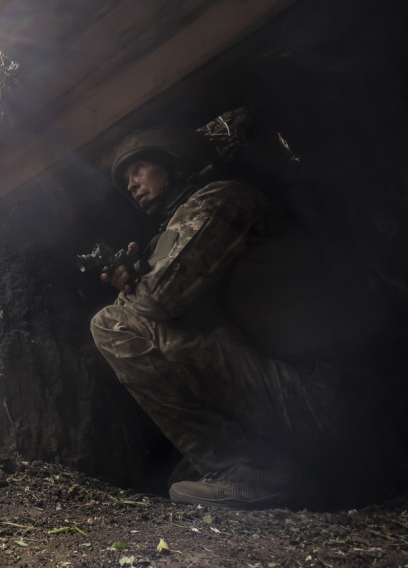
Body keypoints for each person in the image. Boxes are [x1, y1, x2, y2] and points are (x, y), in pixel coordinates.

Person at [89, 126, 374, 509]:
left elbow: (157, 303)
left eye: (138, 169)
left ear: (172, 162)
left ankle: (247, 469)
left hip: (321, 397)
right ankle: (250, 462)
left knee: (111, 324)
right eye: (127, 180)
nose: (132, 185)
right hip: (310, 392)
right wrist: (134, 282)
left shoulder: (220, 200)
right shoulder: (185, 221)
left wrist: (135, 289)